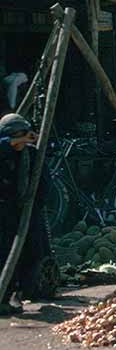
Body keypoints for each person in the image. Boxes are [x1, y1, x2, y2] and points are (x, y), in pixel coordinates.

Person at [0, 113, 54, 315]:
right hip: (4, 213)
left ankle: (20, 293)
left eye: (24, 135)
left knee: (33, 252)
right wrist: (15, 141)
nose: (22, 140)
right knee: (4, 254)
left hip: (28, 212)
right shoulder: (3, 152)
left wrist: (32, 207)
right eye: (16, 136)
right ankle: (4, 295)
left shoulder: (31, 155)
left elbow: (44, 185)